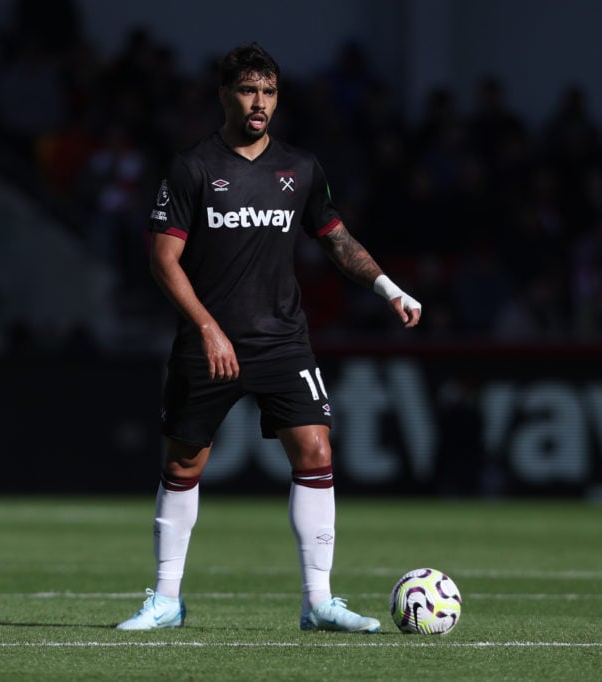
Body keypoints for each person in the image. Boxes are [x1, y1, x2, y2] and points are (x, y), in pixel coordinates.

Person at [117, 43, 421, 633]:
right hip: (209, 343)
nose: (260, 103)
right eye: (249, 90)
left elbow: (337, 241)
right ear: (224, 94)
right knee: (183, 462)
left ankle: (318, 602)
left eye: (270, 91)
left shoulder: (300, 168)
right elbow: (163, 259)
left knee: (317, 451)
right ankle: (166, 599)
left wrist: (389, 289)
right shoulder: (192, 167)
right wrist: (207, 327)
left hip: (283, 341)